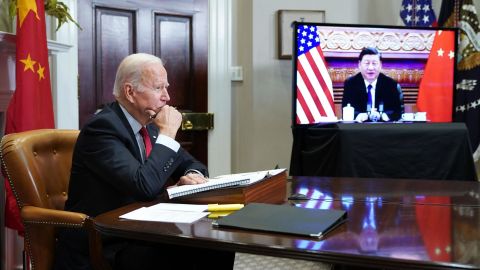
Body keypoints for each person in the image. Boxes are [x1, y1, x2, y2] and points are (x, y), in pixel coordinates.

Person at [54, 53, 235, 270]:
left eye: (166, 87)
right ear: (130, 92)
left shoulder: (149, 126)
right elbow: (143, 186)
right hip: (107, 240)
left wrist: (192, 177)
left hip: (142, 230)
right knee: (195, 250)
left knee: (218, 243)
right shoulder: (102, 129)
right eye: (158, 88)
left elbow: (194, 165)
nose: (167, 97)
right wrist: (168, 132)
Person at [341, 47, 404, 122]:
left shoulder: (390, 85)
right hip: (359, 129)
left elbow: (397, 112)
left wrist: (382, 115)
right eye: (367, 63)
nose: (370, 68)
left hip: (384, 129)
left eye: (374, 63)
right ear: (359, 65)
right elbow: (347, 109)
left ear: (380, 65)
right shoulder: (351, 84)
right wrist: (359, 115)